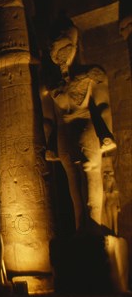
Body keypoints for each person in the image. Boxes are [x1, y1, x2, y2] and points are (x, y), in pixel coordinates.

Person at [44, 16, 116, 234]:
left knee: (90, 172)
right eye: (58, 52)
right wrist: (50, 143)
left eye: (66, 50)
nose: (62, 56)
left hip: (86, 127)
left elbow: (103, 106)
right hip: (64, 134)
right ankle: (80, 229)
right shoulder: (52, 85)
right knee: (73, 186)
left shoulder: (92, 74)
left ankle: (95, 228)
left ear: (74, 47)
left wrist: (107, 133)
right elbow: (51, 119)